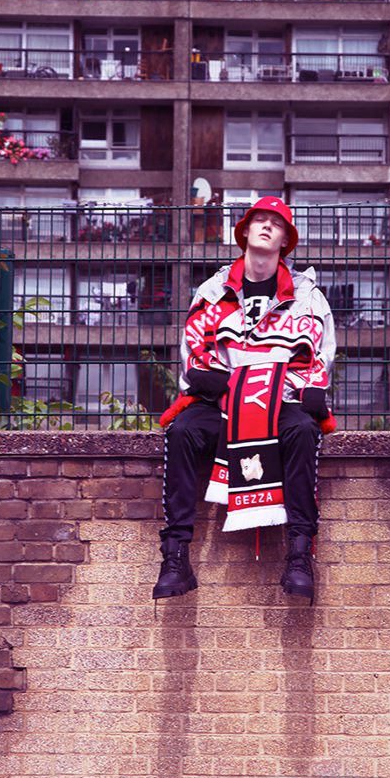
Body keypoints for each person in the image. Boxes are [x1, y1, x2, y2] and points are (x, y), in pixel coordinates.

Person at [153, 197, 336, 604]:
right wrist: (235, 386)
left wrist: (275, 389)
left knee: (304, 432)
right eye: (260, 221)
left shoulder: (308, 296)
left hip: (279, 402)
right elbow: (195, 357)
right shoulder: (214, 291)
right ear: (245, 232)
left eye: (277, 223)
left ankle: (300, 553)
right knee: (181, 432)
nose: (267, 227)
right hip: (221, 402)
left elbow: (319, 358)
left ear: (287, 238)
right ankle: (175, 555)